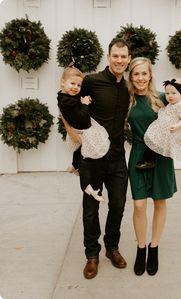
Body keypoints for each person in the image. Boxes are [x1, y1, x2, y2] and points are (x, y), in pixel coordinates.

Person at [78, 38, 131, 279]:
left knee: (118, 205)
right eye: (115, 56)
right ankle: (92, 254)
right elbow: (68, 105)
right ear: (108, 57)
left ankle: (112, 247)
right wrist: (76, 137)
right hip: (93, 160)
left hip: (118, 157)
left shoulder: (127, 86)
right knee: (91, 208)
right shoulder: (91, 81)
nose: (119, 60)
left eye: (123, 56)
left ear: (128, 59)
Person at [127, 57, 177, 276]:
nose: (140, 78)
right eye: (136, 74)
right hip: (138, 152)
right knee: (139, 205)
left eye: (144, 74)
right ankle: (140, 248)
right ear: (131, 77)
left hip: (161, 155)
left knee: (159, 201)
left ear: (150, 75)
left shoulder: (163, 98)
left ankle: (153, 247)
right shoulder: (127, 100)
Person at [57, 66, 110, 202]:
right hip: (83, 129)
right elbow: (84, 121)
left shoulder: (65, 96)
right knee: (89, 156)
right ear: (62, 82)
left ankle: (75, 166)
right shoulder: (66, 101)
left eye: (78, 85)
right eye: (72, 83)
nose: (75, 87)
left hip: (80, 129)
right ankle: (87, 186)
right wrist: (85, 104)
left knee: (82, 152)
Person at [138, 78, 181, 168]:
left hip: (171, 130)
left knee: (155, 141)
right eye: (167, 93)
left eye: (174, 93)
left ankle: (149, 161)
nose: (170, 96)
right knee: (151, 139)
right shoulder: (171, 104)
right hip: (162, 128)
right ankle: (149, 160)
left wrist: (177, 126)